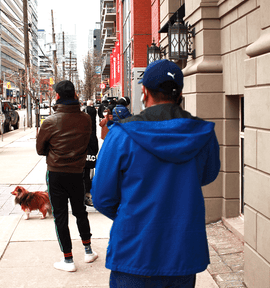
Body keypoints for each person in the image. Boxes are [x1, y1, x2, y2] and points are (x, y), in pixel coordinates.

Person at [92, 59, 220, 287]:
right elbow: (208, 175)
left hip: (135, 250)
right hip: (182, 250)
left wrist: (134, 216)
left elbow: (102, 197)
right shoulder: (202, 134)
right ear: (179, 93)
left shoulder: (122, 135)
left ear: (144, 91)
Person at [36, 80, 98, 272]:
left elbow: (40, 149)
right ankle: (88, 250)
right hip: (77, 173)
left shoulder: (50, 121)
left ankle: (68, 259)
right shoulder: (86, 119)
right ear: (75, 96)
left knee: (60, 216)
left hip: (55, 173)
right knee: (80, 211)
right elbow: (89, 142)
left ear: (58, 97)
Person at [83, 99, 99, 206]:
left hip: (82, 156)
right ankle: (87, 194)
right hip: (89, 156)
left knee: (83, 175)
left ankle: (84, 194)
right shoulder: (92, 132)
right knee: (87, 174)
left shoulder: (80, 131)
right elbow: (95, 146)